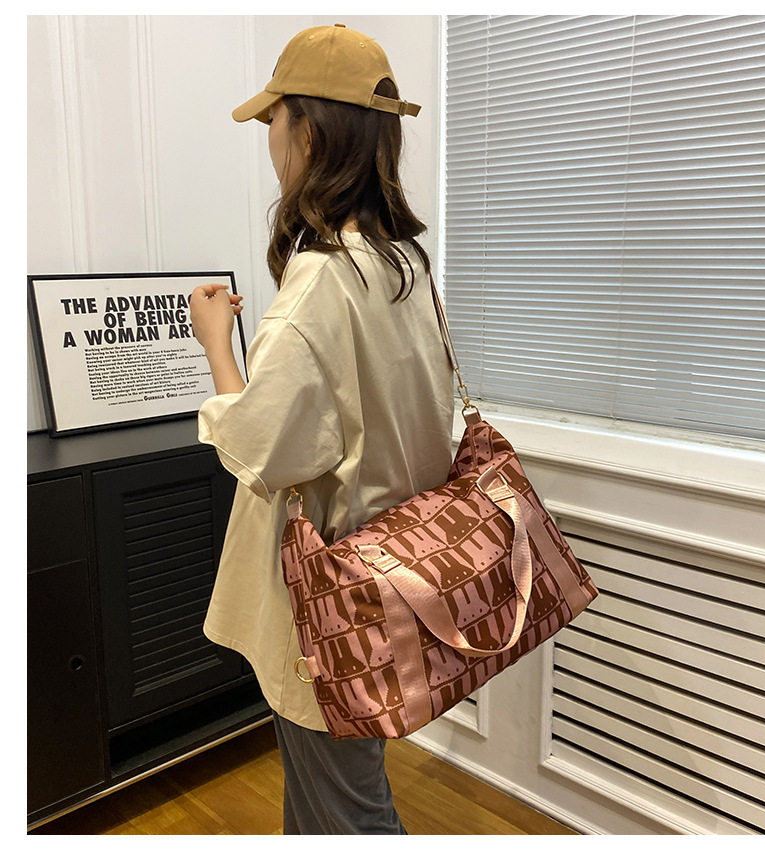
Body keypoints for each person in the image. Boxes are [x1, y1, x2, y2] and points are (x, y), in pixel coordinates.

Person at [189, 23, 454, 835]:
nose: (269, 139)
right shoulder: (403, 265)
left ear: (308, 132)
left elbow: (259, 449)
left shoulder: (319, 284)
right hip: (393, 575)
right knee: (328, 800)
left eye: (274, 119)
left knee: (345, 812)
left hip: (329, 600)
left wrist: (215, 345)